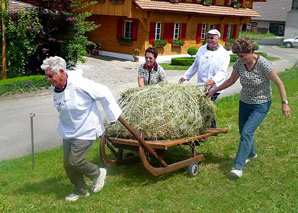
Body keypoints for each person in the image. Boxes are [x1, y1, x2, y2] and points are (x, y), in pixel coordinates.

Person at [206, 36, 291, 178]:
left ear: (251, 51)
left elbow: (279, 83)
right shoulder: (240, 64)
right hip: (245, 102)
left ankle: (238, 167)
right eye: (238, 56)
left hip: (261, 104)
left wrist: (285, 104)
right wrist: (214, 90)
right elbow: (231, 81)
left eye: (242, 56)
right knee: (243, 132)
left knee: (246, 132)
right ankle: (252, 153)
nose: (240, 58)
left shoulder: (263, 64)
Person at [41, 56, 122, 201]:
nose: (48, 79)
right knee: (67, 163)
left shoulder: (80, 84)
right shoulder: (56, 87)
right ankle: (81, 190)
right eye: (46, 75)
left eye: (50, 75)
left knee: (75, 161)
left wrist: (112, 116)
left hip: (86, 129)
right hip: (68, 130)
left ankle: (97, 173)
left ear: (61, 72)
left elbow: (104, 92)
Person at [179, 29, 230, 128]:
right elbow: (195, 65)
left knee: (206, 106)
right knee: (204, 107)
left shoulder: (224, 54)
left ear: (218, 39)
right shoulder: (201, 49)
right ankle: (210, 128)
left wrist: (213, 81)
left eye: (212, 38)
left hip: (215, 86)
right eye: (208, 37)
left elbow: (222, 71)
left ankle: (207, 128)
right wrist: (186, 76)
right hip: (202, 84)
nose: (210, 40)